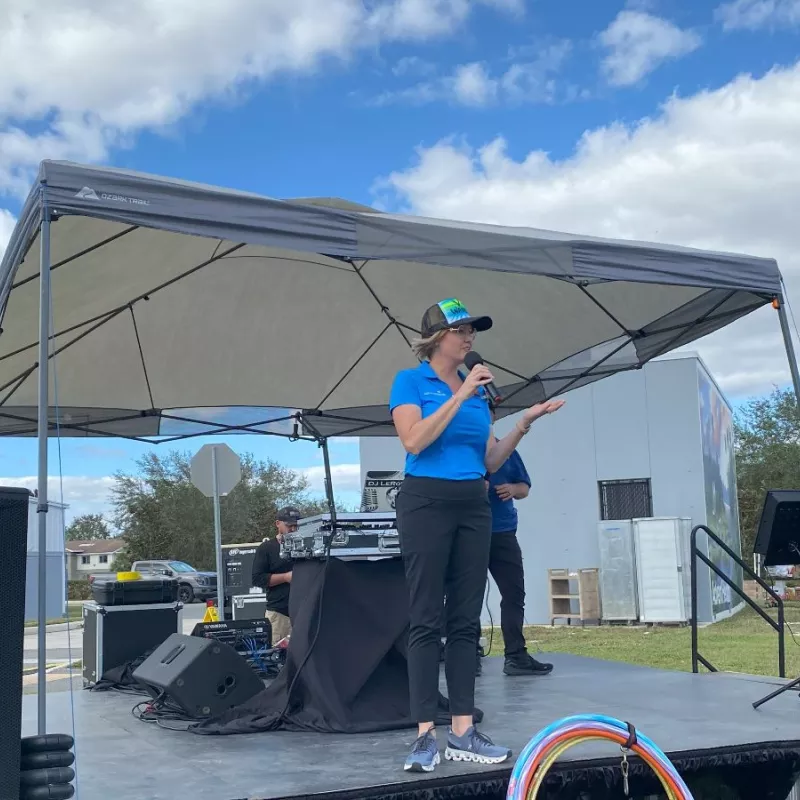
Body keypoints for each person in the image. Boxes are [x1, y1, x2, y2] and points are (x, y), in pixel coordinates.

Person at [390, 297, 565, 773]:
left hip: (474, 502)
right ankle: (426, 734)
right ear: (435, 338)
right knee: (427, 617)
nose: (469, 338)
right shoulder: (411, 382)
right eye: (460, 330)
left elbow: (488, 460)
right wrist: (461, 393)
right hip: (425, 501)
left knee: (465, 620)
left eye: (472, 331)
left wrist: (524, 424)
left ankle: (464, 731)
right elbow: (414, 441)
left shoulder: (480, 395)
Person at [476, 410, 553, 677]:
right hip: (470, 533)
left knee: (514, 594)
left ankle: (516, 656)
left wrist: (512, 489)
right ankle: (468, 655)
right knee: (466, 597)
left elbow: (525, 488)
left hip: (502, 532)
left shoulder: (505, 448)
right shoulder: (461, 450)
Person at [251, 506, 301, 644]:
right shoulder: (266, 548)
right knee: (277, 655)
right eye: (289, 526)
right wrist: (285, 577)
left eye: (296, 526)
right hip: (279, 614)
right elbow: (257, 579)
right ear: (278, 524)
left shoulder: (307, 546)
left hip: (303, 613)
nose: (292, 529)